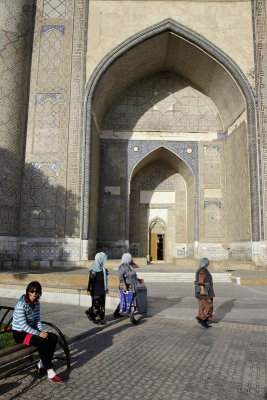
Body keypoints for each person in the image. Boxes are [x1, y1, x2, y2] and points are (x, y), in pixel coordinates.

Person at [12, 281, 62, 382]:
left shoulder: (36, 303)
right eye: (32, 291)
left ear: (39, 293)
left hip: (31, 331)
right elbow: (23, 325)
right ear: (28, 291)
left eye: (37, 291)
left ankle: (42, 364)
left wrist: (42, 331)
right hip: (20, 333)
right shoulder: (21, 305)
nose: (34, 293)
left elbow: (37, 320)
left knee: (53, 337)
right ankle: (50, 371)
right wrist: (39, 333)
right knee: (41, 341)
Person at [115, 252, 143, 325]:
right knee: (130, 301)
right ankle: (132, 318)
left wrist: (138, 279)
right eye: (130, 257)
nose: (131, 259)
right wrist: (123, 285)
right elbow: (120, 277)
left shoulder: (129, 266)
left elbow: (132, 276)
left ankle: (116, 312)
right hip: (127, 287)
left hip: (132, 286)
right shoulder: (123, 266)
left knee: (126, 300)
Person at [85, 252, 108, 325]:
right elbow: (91, 281)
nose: (104, 260)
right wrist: (89, 290)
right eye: (103, 258)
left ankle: (91, 313)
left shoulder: (102, 267)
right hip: (95, 290)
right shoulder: (93, 269)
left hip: (102, 289)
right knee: (96, 304)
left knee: (101, 304)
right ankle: (96, 319)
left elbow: (102, 277)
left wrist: (106, 273)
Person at [195, 257, 215, 328]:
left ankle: (204, 320)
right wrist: (202, 289)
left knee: (202, 306)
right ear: (206, 262)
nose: (208, 263)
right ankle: (202, 319)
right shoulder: (202, 270)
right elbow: (201, 281)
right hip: (204, 292)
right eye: (208, 262)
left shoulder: (202, 269)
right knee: (209, 305)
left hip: (204, 291)